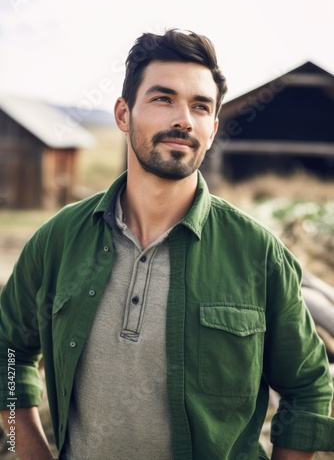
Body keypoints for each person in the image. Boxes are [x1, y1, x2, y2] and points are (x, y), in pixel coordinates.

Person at [0, 29, 333, 460]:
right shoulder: (59, 239)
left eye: (200, 107)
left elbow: (307, 387)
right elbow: (9, 352)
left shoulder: (258, 254)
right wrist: (26, 451)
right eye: (163, 99)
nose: (184, 119)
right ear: (124, 114)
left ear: (212, 129)